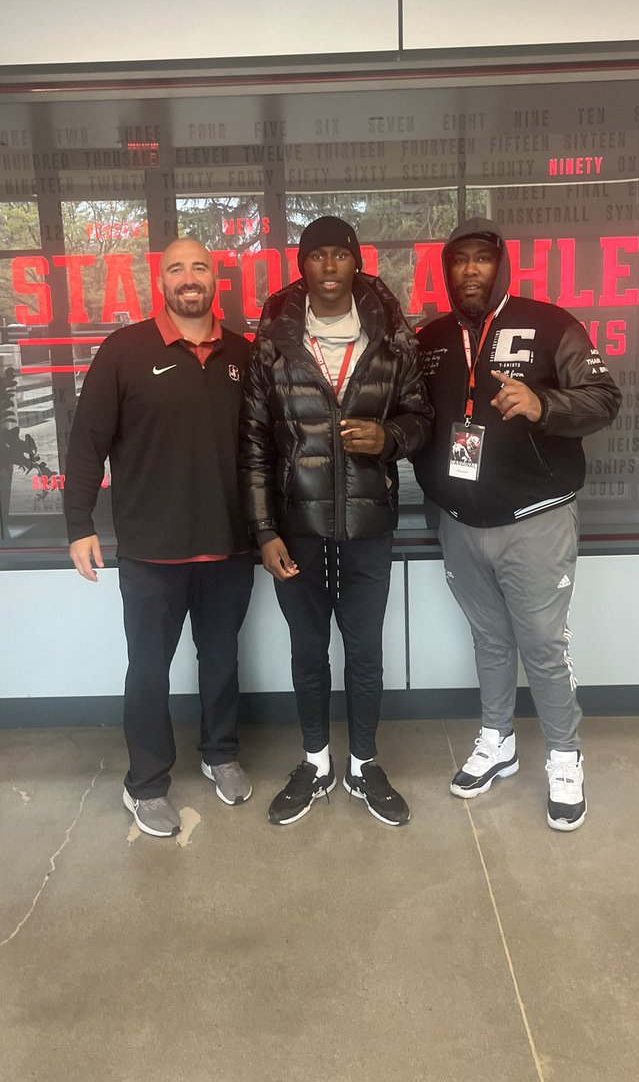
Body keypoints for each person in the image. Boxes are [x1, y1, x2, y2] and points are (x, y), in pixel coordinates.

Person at [413, 217, 622, 831]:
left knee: (542, 645)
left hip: (535, 519)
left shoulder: (550, 324)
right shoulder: (430, 339)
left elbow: (604, 398)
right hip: (459, 521)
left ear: (499, 266)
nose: (471, 270)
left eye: (482, 259)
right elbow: (417, 416)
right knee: (490, 638)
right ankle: (498, 740)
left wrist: (543, 403)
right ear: (446, 270)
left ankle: (563, 756)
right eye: (460, 261)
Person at [240, 216, 431, 827]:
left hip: (370, 526)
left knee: (366, 650)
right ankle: (317, 762)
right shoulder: (272, 342)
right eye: (316, 256)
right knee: (308, 648)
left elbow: (421, 417)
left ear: (356, 262)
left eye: (339, 256)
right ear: (301, 267)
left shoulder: (393, 338)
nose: (328, 267)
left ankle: (364, 765)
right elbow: (253, 446)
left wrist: (390, 435)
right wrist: (265, 531)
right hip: (298, 526)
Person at [64, 238, 255, 838]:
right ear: (162, 281)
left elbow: (263, 452)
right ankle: (144, 784)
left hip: (230, 545)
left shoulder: (243, 356)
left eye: (200, 267)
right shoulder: (124, 351)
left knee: (222, 660)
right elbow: (86, 441)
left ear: (215, 280)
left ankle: (220, 753)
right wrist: (78, 527)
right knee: (148, 668)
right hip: (151, 551)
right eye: (177, 268)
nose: (189, 277)